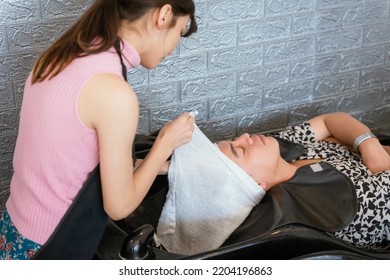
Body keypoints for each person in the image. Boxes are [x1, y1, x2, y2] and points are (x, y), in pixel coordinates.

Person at [0, 0, 198, 260]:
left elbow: (73, 163)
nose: (173, 50)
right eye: (180, 33)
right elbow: (119, 207)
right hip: (48, 248)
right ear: (164, 15)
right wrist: (165, 144)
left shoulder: (61, 55)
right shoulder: (114, 92)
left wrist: (156, 166)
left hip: (13, 232)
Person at [217, 112, 390, 250]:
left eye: (234, 140)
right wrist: (364, 144)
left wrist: (369, 145)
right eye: (239, 150)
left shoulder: (277, 153)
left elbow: (329, 120)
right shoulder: (344, 207)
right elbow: (331, 127)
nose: (245, 136)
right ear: (256, 185)